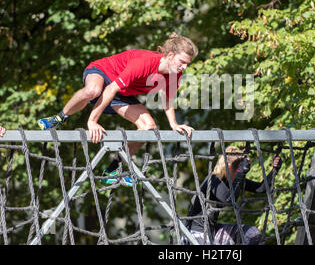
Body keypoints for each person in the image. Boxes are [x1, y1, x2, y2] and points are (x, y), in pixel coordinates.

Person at [38, 32, 198, 185]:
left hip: (121, 91)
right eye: (182, 62)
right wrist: (92, 122)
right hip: (104, 72)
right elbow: (109, 89)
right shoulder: (144, 63)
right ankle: (59, 117)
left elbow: (167, 98)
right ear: (170, 56)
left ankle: (112, 170)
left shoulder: (174, 74)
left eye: (187, 64)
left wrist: (174, 124)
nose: (184, 67)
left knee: (149, 128)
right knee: (92, 91)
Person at [183, 145, 282, 245]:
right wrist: (240, 173)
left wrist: (274, 170)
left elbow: (261, 188)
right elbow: (229, 199)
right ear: (229, 167)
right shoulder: (213, 180)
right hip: (196, 234)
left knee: (252, 233)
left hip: (212, 230)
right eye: (237, 171)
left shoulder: (232, 180)